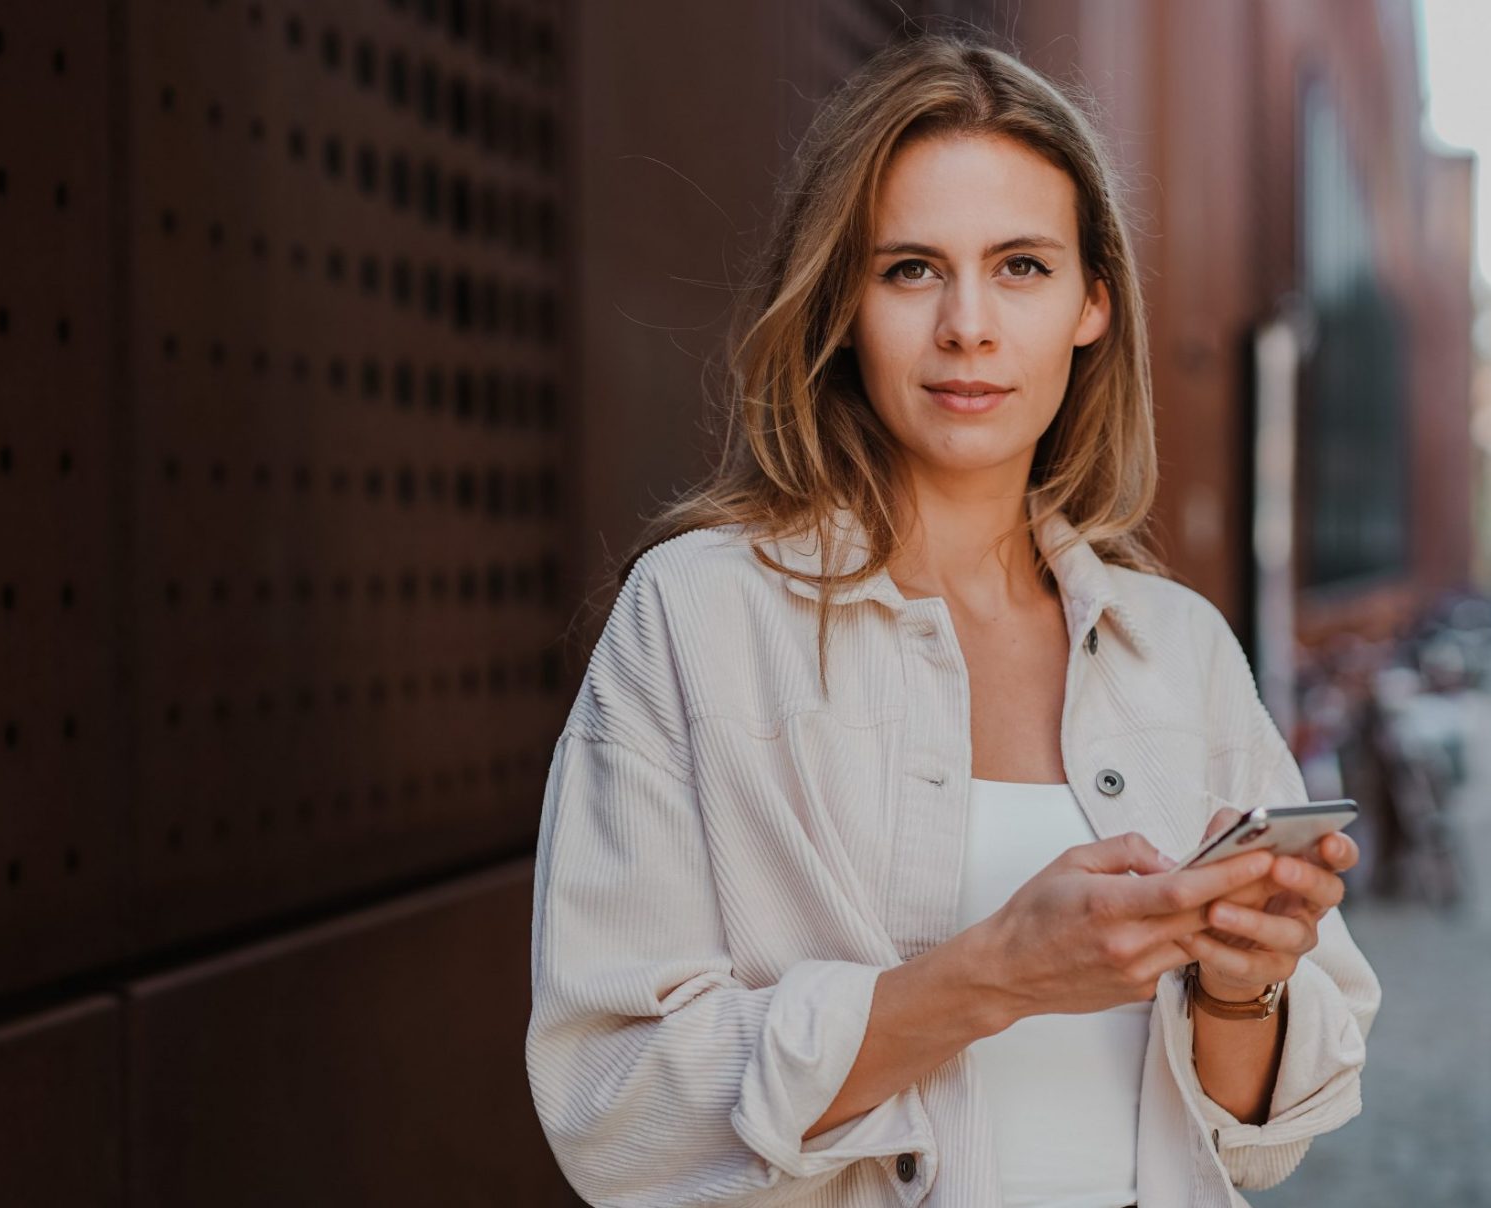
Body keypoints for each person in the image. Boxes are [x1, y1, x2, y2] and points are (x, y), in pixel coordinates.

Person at [525, 32, 1380, 1207]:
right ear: (842, 303)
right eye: (911, 269)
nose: (968, 325)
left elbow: (1258, 1139)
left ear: (1092, 302)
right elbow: (616, 1107)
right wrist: (990, 975)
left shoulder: (1178, 646)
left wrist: (1242, 988)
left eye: (1021, 266)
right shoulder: (696, 616)